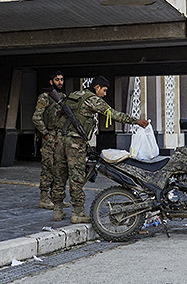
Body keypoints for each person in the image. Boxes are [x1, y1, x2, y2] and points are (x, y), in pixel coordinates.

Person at [52, 76, 149, 223]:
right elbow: (113, 114)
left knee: (59, 175)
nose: (104, 94)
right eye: (103, 90)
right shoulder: (93, 100)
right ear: (97, 87)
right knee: (76, 177)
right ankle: (77, 213)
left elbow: (56, 114)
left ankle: (57, 211)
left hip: (60, 140)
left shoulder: (75, 95)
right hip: (75, 143)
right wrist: (135, 121)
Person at [32, 70, 69, 209]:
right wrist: (46, 133)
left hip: (60, 137)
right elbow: (36, 117)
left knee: (59, 168)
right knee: (47, 167)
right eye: (57, 79)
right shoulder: (45, 97)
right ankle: (44, 198)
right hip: (49, 137)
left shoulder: (63, 97)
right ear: (51, 81)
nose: (60, 82)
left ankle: (57, 198)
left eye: (61, 79)